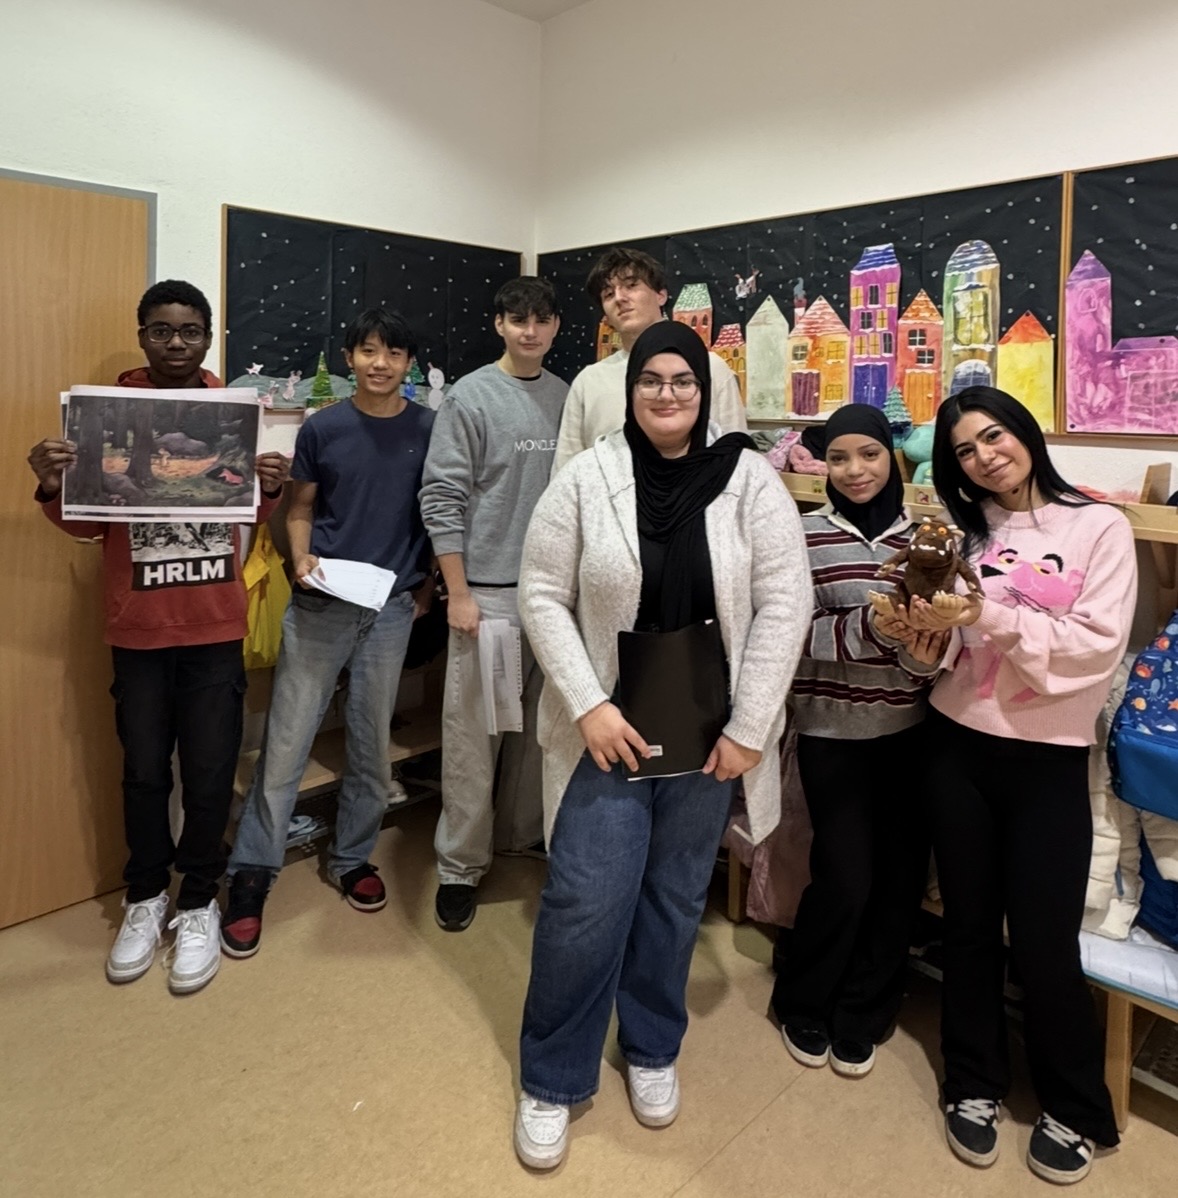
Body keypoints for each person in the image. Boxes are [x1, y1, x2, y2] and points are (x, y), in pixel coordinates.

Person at [511, 321, 810, 1170]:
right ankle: (554, 1076)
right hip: (609, 732)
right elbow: (541, 593)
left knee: (676, 899)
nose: (667, 394)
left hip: (710, 737)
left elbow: (786, 601)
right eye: (652, 380)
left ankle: (651, 1045)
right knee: (584, 901)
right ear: (631, 388)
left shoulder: (749, 481)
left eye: (683, 381)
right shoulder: (586, 477)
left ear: (705, 393)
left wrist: (751, 727)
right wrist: (589, 704)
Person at [880, 386, 1133, 1183]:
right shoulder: (968, 534)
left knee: (1046, 943)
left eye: (994, 437)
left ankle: (1074, 1105)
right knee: (967, 928)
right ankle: (973, 1081)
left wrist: (981, 615)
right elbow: (942, 655)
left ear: (1025, 433)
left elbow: (1094, 647)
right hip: (956, 747)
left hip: (1047, 760)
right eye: (965, 450)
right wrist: (914, 638)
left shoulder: (1099, 527)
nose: (985, 456)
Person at [26, 279, 290, 995]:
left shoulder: (233, 412)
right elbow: (84, 525)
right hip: (138, 628)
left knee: (209, 771)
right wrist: (52, 486)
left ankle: (199, 900)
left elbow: (245, 514)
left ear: (209, 337)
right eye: (161, 330)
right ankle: (145, 897)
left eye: (190, 330)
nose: (176, 342)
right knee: (144, 770)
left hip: (213, 624)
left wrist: (269, 486)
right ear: (141, 334)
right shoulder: (105, 414)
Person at [221, 308, 435, 958]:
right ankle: (252, 870)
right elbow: (301, 508)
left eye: (392, 353)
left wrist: (426, 590)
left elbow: (438, 514)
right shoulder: (323, 427)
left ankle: (351, 857)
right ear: (350, 358)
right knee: (286, 744)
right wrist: (299, 558)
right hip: (322, 603)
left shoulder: (430, 429)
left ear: (408, 363)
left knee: (371, 743)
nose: (379, 363)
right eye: (368, 350)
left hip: (390, 609)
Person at [770, 403, 947, 1076]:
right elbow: (787, 635)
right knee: (845, 877)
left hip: (911, 733)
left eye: (868, 454)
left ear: (889, 458)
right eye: (839, 457)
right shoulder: (802, 535)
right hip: (831, 731)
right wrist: (868, 631)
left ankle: (866, 1009)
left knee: (899, 882)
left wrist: (921, 653)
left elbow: (936, 652)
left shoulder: (927, 538)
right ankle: (803, 999)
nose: (854, 470)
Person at [419, 276, 568, 932]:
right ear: (499, 325)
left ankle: (517, 836)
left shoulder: (567, 397)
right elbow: (441, 497)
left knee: (540, 732)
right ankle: (459, 865)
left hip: (553, 597)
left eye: (540, 319)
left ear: (555, 326)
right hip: (488, 596)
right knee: (474, 739)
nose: (529, 331)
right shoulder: (471, 397)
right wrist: (458, 593)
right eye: (517, 319)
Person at [551, 247, 747, 473]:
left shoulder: (710, 368)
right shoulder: (589, 381)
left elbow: (736, 458)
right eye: (608, 294)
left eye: (631, 285)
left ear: (660, 295)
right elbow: (566, 470)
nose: (620, 298)